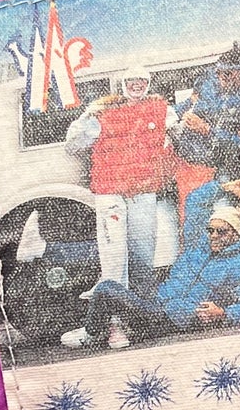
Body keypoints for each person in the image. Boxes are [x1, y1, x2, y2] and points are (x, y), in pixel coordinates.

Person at [61, 193, 240, 348]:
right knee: (123, 258)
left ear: (236, 235)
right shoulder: (197, 247)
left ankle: (91, 334)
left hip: (172, 319)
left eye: (222, 232)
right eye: (211, 230)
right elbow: (194, 201)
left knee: (106, 289)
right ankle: (49, 250)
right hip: (157, 301)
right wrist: (223, 188)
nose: (214, 236)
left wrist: (223, 313)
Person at [61, 68, 171, 286]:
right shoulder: (102, 114)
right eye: (132, 80)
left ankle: (141, 295)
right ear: (123, 84)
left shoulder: (160, 110)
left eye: (142, 80)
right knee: (114, 250)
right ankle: (114, 296)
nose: (137, 84)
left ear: (148, 84)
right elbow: (72, 145)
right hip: (109, 191)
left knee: (143, 247)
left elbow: (178, 129)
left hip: (142, 190)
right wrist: (88, 115)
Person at [170, 43, 240, 211]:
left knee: (220, 213)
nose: (221, 78)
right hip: (188, 163)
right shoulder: (209, 81)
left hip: (220, 167)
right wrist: (166, 113)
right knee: (189, 211)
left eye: (227, 74)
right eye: (218, 73)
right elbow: (189, 103)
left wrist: (207, 130)